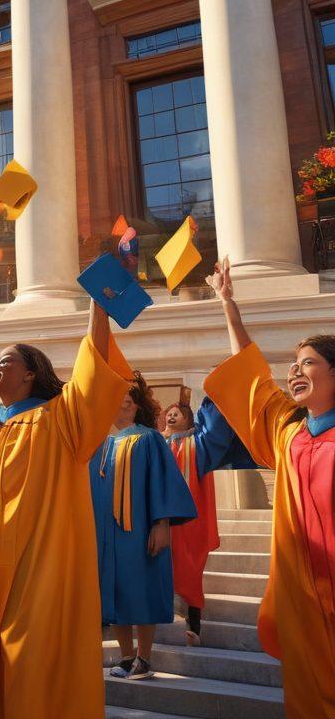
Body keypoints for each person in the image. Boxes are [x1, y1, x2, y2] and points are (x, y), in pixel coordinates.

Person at [0, 264, 134, 719]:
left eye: (7, 359)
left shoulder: (62, 419)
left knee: (36, 669)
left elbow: (95, 371)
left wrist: (99, 303)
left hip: (39, 567)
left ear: (32, 374)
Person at [202, 258, 335, 718]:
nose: (295, 372)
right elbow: (250, 373)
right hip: (302, 588)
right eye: (293, 365)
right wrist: (227, 303)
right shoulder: (288, 430)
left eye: (309, 364)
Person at [91, 373, 196, 680]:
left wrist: (161, 524)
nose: (124, 398)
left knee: (142, 588)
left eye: (131, 395)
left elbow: (161, 483)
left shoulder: (149, 438)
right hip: (106, 532)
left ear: (139, 405)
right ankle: (125, 656)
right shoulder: (101, 445)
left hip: (139, 530)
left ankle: (145, 657)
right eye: (118, 394)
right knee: (115, 591)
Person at [162, 390, 255, 645]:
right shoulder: (155, 444)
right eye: (168, 413)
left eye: (177, 413)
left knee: (188, 571)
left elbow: (216, 433)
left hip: (188, 522)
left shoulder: (196, 445)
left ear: (188, 420)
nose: (171, 416)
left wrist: (215, 393)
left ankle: (194, 626)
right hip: (158, 521)